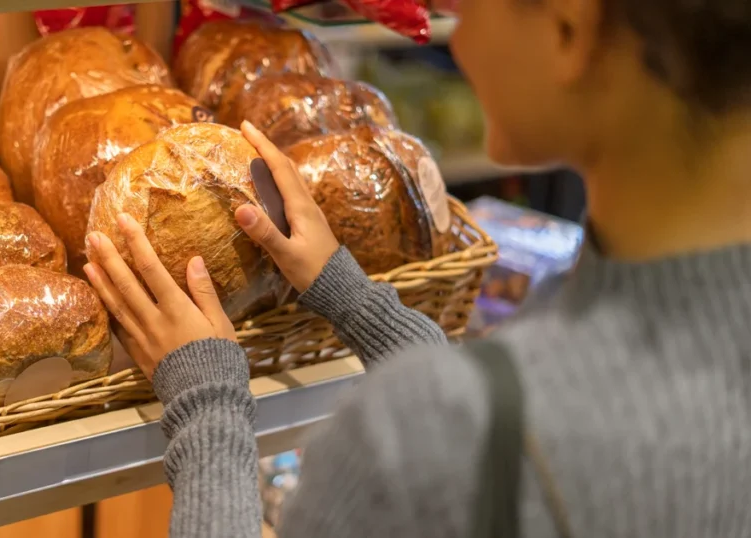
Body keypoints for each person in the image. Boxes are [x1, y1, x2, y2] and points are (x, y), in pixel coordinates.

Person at [83, 0, 751, 536]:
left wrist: (206, 401)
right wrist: (346, 294)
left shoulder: (414, 437)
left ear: (570, 27)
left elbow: (474, 429)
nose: (453, 32)